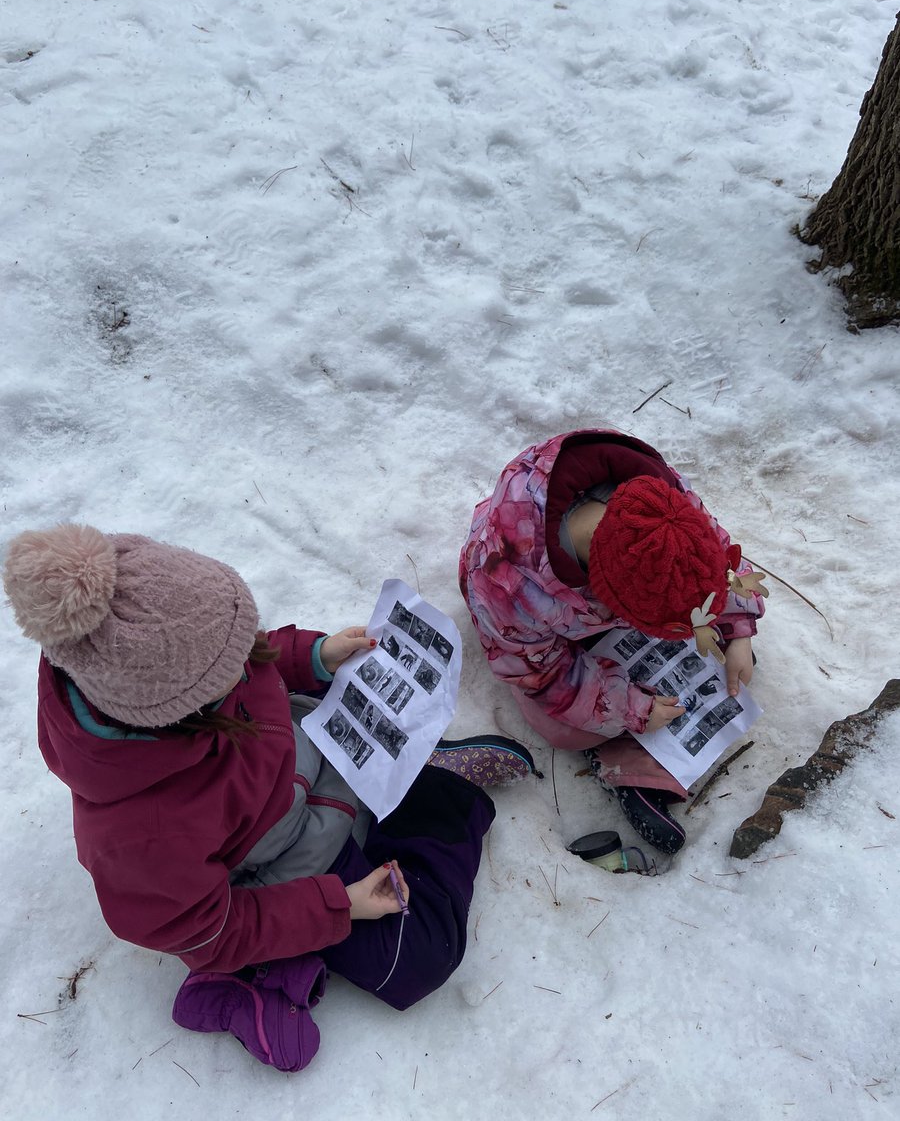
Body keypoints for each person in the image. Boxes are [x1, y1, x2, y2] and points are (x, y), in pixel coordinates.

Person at [3, 525, 535, 1070]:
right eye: (232, 670)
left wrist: (316, 657)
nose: (250, 665)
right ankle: (422, 784)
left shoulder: (185, 670)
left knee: (360, 683)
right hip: (287, 863)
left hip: (308, 747)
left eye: (246, 645)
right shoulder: (140, 837)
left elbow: (256, 659)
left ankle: (408, 772)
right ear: (175, 711)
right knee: (423, 955)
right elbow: (212, 930)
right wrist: (339, 905)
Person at [459, 428, 767, 855]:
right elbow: (539, 673)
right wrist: (630, 710)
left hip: (592, 599)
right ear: (611, 601)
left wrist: (737, 627)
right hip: (534, 633)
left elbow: (717, 554)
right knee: (564, 729)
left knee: (722, 650)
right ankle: (623, 756)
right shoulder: (507, 584)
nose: (693, 635)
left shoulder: (660, 500)